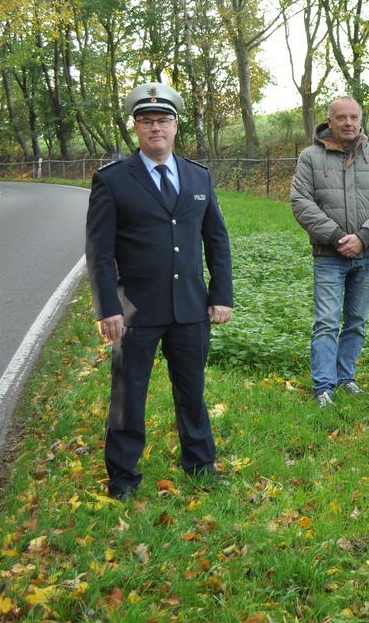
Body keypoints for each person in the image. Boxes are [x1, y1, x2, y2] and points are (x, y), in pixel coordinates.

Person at [86, 82, 234, 501]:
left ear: (175, 125)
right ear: (136, 128)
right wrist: (107, 307)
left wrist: (220, 294)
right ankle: (123, 478)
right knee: (127, 397)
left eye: (163, 120)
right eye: (147, 121)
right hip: (135, 310)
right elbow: (99, 251)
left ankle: (201, 466)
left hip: (190, 307)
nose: (156, 128)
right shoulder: (112, 180)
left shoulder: (197, 176)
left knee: (192, 393)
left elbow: (217, 241)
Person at [291, 96, 369, 408]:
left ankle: (345, 377)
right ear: (330, 121)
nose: (348, 123)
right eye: (341, 118)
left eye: (353, 117)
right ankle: (324, 387)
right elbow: (301, 203)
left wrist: (364, 237)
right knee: (326, 321)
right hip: (329, 255)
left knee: (356, 321)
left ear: (360, 120)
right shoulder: (310, 157)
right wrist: (339, 237)